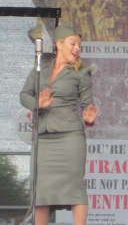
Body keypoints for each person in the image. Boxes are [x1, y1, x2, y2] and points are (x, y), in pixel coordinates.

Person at [20, 24, 98, 225]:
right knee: (41, 190)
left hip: (69, 136)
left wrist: (89, 118)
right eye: (73, 43)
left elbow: (88, 104)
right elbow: (24, 95)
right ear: (59, 44)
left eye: (79, 45)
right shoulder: (40, 70)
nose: (77, 48)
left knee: (75, 187)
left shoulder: (81, 72)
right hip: (43, 137)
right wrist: (37, 103)